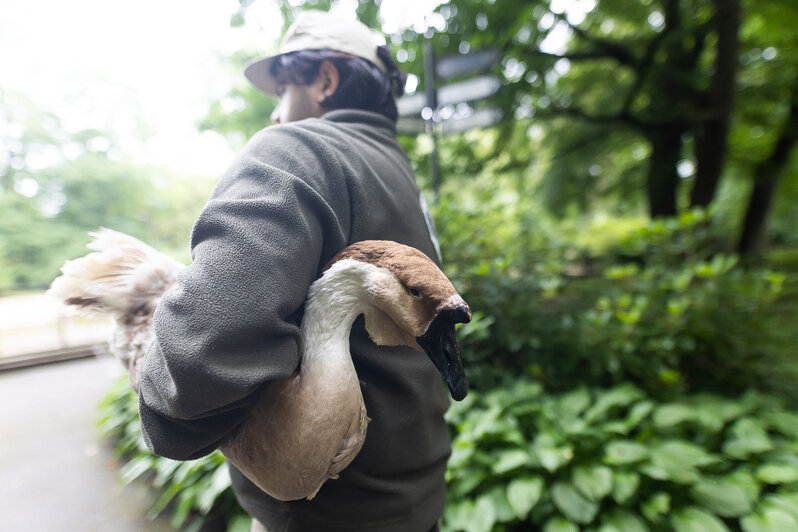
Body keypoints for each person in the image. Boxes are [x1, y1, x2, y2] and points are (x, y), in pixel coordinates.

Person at [137, 10, 450, 532]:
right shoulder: (399, 174)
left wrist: (165, 410)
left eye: (282, 90)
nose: (277, 115)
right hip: (418, 500)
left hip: (322, 514)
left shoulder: (298, 148)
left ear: (324, 80)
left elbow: (200, 356)